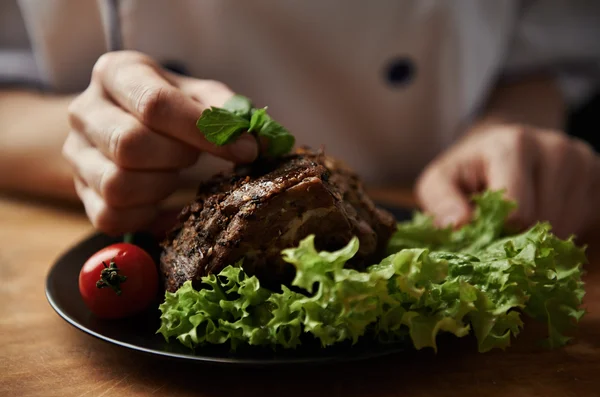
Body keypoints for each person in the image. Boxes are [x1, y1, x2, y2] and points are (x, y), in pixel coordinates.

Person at [1, 0, 599, 239]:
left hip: (441, 211)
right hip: (159, 219)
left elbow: (545, 42)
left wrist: (503, 131)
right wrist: (94, 142)